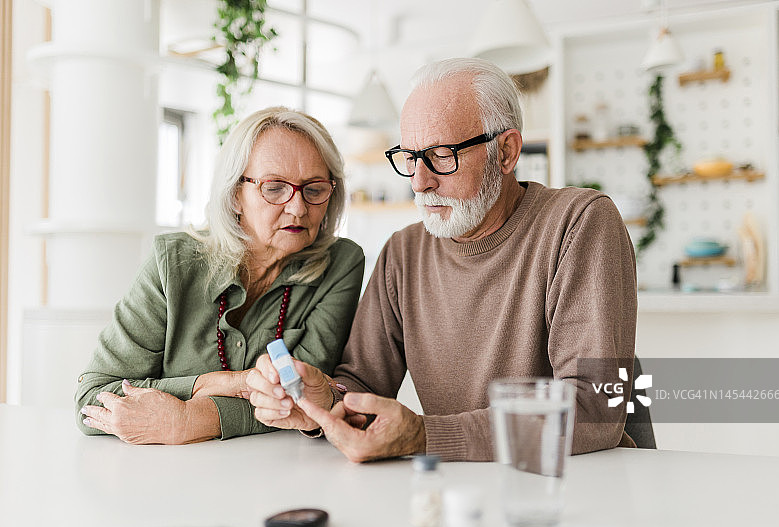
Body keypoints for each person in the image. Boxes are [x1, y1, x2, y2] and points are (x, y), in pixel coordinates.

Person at [247, 58, 637, 462]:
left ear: (506, 152)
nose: (420, 181)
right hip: (455, 492)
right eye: (410, 156)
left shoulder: (580, 223)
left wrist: (425, 436)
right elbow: (362, 384)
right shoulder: (402, 252)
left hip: (577, 486)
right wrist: (322, 401)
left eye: (441, 155)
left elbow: (594, 409)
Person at [75, 107, 365, 444]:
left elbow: (302, 401)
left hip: (277, 472)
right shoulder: (173, 263)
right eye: (274, 188)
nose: (298, 208)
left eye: (314, 190)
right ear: (235, 195)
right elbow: (93, 398)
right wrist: (226, 383)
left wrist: (189, 420)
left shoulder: (341, 264)